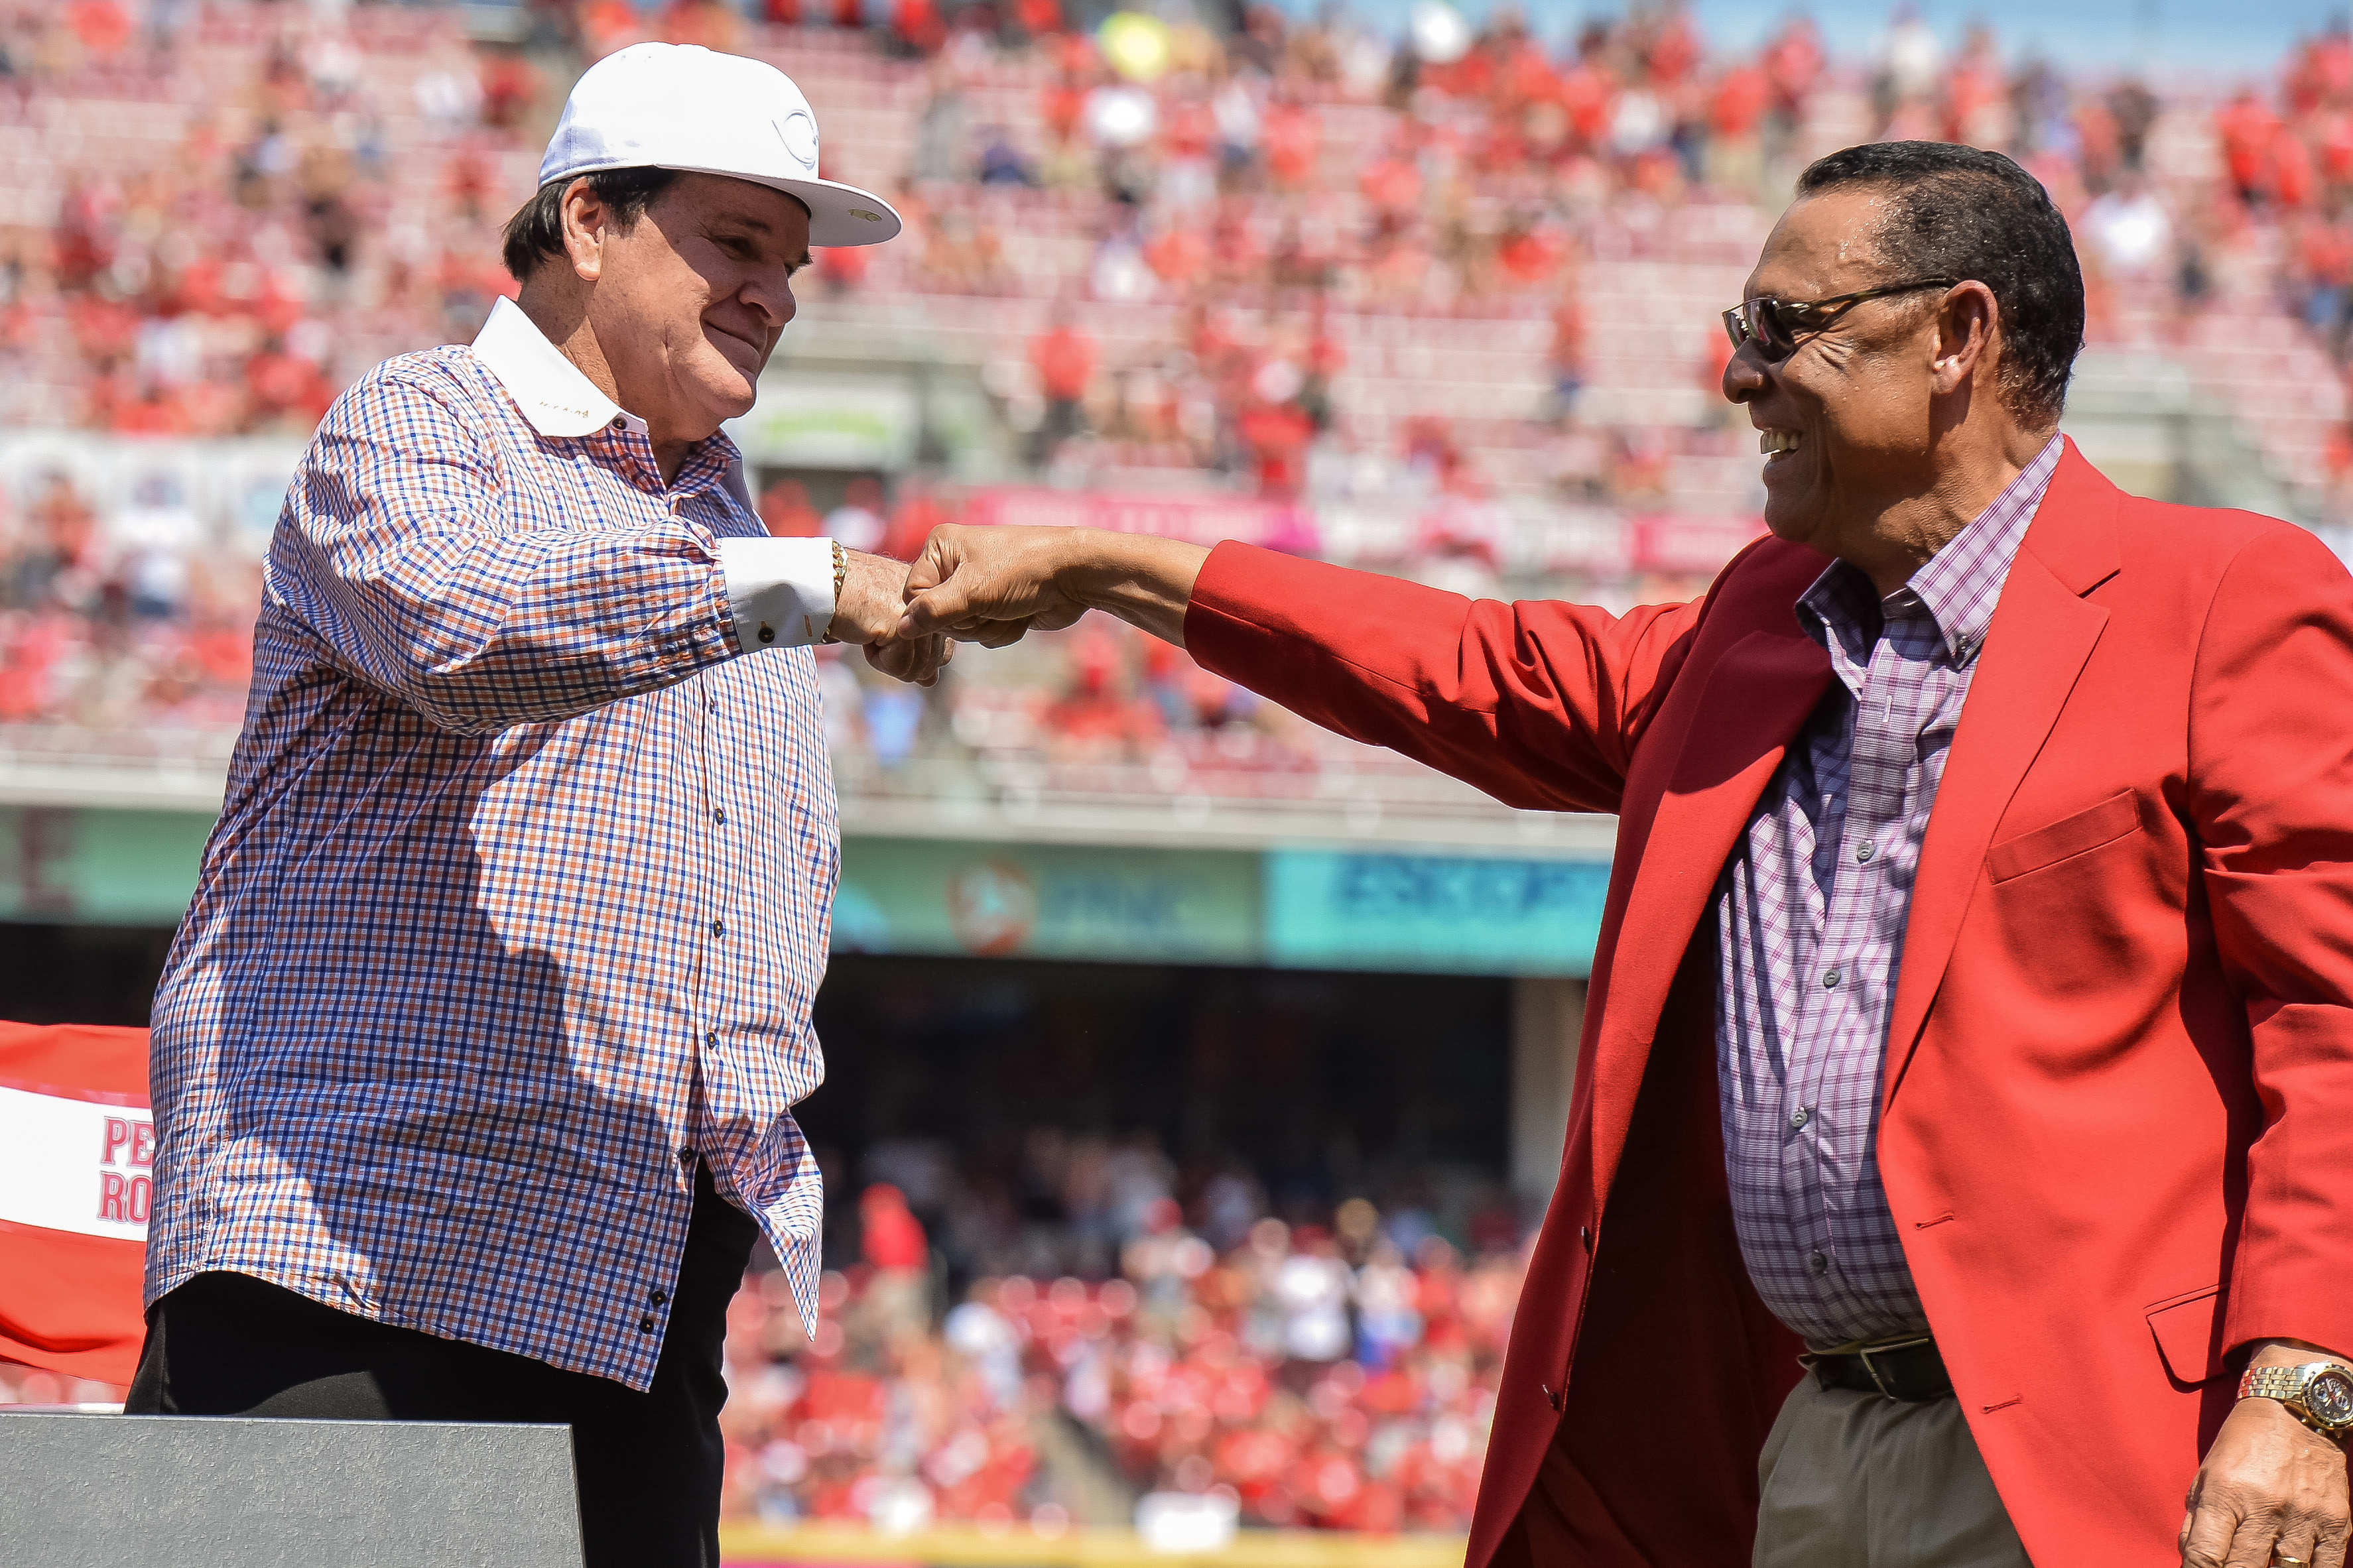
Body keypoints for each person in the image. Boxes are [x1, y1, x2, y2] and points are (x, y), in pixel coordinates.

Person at [897, 143, 2353, 1567]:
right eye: (1741, 329)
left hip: (2096, 1466)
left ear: (1958, 335)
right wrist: (1113, 566)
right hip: (1811, 1443)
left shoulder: (2224, 599)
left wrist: (2305, 1386)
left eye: (1783, 328)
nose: (1738, 374)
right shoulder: (1759, 619)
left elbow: (2332, 1029)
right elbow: (1470, 670)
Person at [127, 44, 947, 1568]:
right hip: (356, 1259)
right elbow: (466, 633)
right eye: (735, 241)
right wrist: (816, 583)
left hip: (631, 1293)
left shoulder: (721, 511)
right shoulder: (423, 419)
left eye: (791, 263)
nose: (775, 291)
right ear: (586, 222)